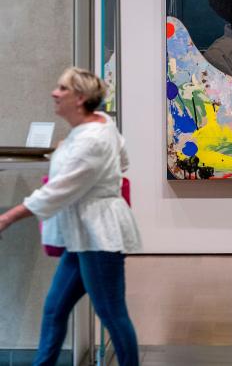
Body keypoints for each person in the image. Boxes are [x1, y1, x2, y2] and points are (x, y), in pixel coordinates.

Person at [0, 67, 142, 366]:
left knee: (112, 314)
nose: (54, 92)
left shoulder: (93, 140)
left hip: (98, 236)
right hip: (81, 236)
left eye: (61, 88)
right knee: (54, 310)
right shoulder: (100, 126)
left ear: (80, 98)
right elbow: (123, 162)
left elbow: (57, 192)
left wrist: (8, 217)